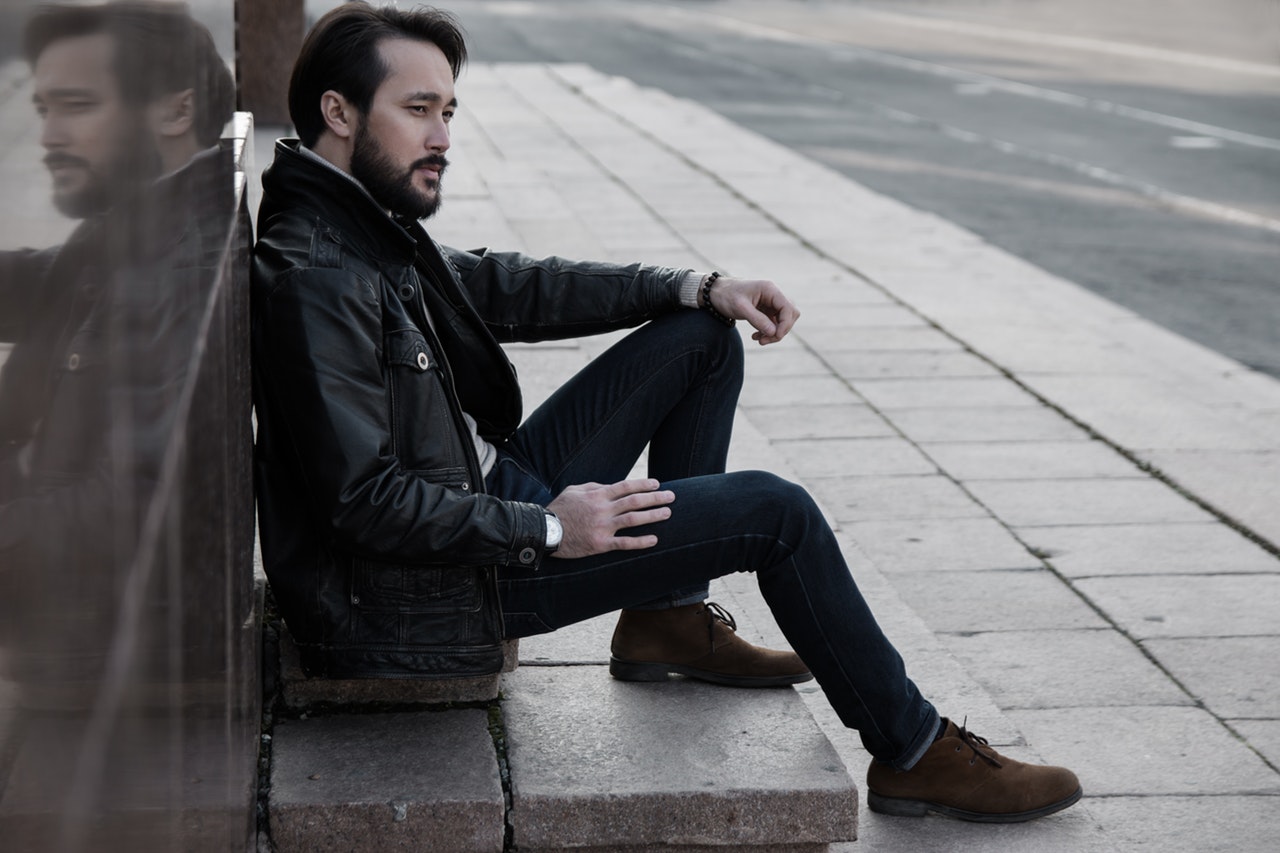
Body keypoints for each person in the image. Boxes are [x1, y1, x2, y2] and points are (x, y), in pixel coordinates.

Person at [251, 1, 1082, 823]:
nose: (442, 137)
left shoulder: (356, 219)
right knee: (776, 512)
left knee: (701, 336)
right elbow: (362, 502)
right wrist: (546, 529)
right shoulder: (320, 277)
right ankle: (913, 750)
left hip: (481, 497)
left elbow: (505, 281)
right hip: (443, 584)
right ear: (339, 111)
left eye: (449, 111)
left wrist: (693, 285)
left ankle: (667, 619)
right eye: (419, 110)